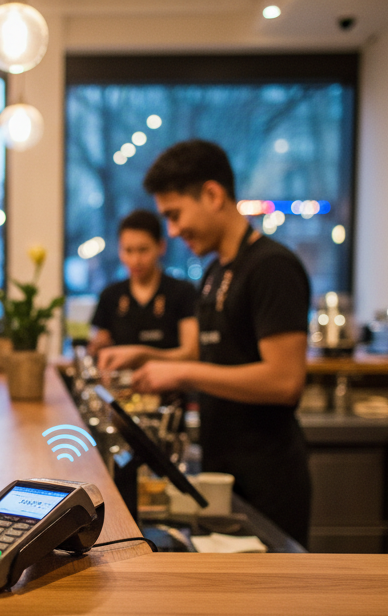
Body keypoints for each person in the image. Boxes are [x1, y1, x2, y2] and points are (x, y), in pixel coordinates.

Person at [127, 139, 312, 545]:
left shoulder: (272, 268)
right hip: (223, 473)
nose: (172, 232)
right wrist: (151, 359)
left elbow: (284, 381)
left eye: (175, 216)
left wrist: (183, 372)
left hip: (268, 480)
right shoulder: (214, 274)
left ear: (212, 195)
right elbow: (207, 356)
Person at [89, 209, 199, 369]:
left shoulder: (182, 292)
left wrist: (142, 355)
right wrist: (95, 348)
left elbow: (192, 354)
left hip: (171, 388)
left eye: (143, 250)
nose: (135, 260)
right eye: (128, 250)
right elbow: (99, 347)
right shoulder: (110, 296)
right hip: (122, 389)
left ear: (161, 247)